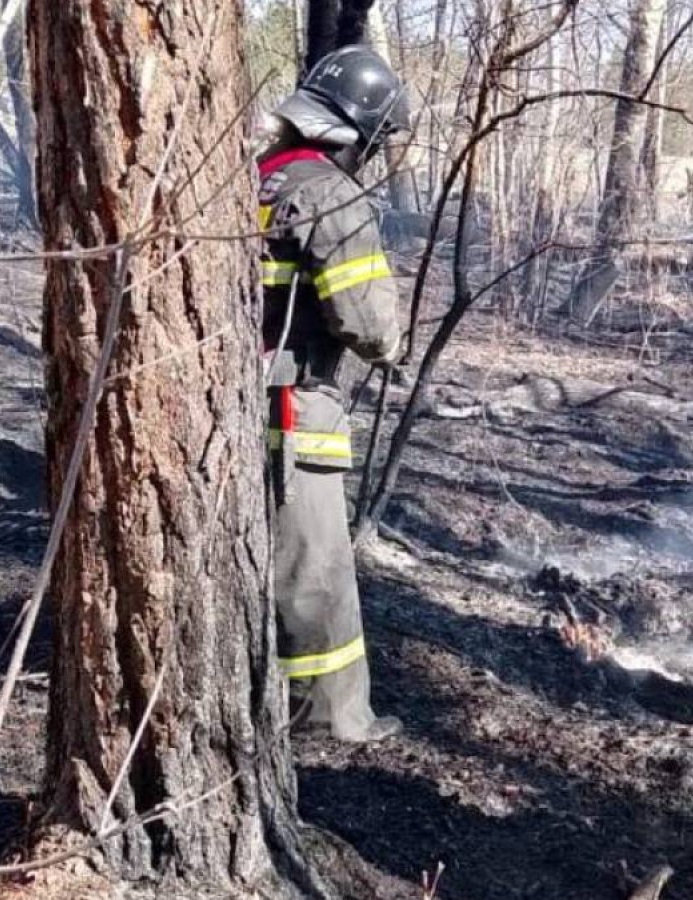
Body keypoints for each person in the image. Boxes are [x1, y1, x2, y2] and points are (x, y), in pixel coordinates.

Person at [257, 45, 412, 743]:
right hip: (296, 411)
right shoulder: (331, 195)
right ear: (361, 134)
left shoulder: (257, 176)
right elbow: (371, 327)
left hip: (231, 407)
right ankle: (329, 716)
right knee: (315, 572)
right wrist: (392, 339)